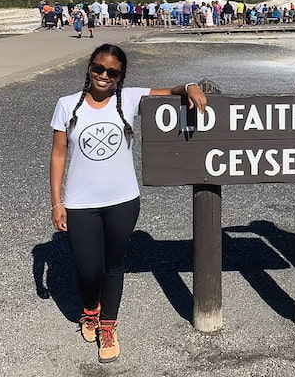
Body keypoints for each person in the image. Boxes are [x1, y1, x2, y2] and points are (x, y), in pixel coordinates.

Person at [50, 44, 207, 363]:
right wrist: (56, 202)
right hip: (80, 202)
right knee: (88, 269)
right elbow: (58, 154)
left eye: (112, 72)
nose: (104, 75)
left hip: (122, 200)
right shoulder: (67, 105)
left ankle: (108, 326)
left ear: (120, 76)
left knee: (113, 266)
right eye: (98, 68)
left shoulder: (130, 98)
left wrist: (191, 86)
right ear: (89, 67)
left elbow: (171, 91)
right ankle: (90, 309)